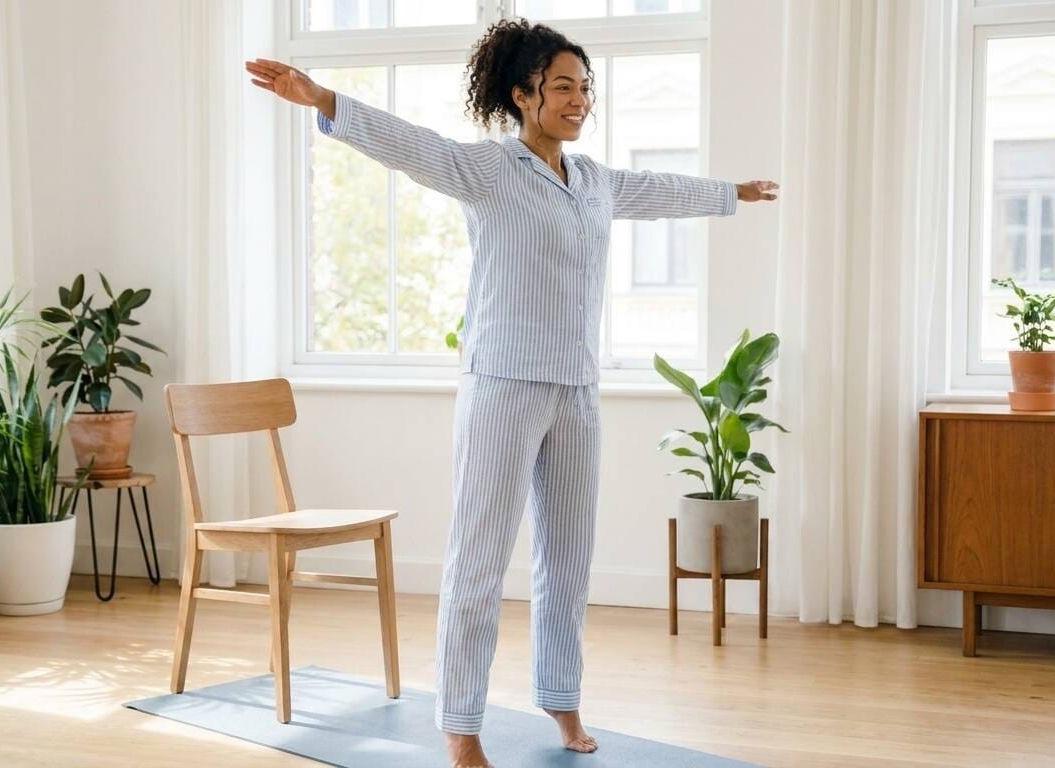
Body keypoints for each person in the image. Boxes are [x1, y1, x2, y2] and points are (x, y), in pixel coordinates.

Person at [246, 17, 778, 768]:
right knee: (479, 559)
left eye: (586, 88)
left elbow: (659, 189)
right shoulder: (491, 171)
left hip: (577, 392)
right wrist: (323, 97)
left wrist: (734, 192)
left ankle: (562, 701)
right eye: (564, 87)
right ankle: (460, 723)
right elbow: (415, 149)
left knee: (569, 560)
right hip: (502, 385)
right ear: (524, 95)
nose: (579, 99)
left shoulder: (593, 181)